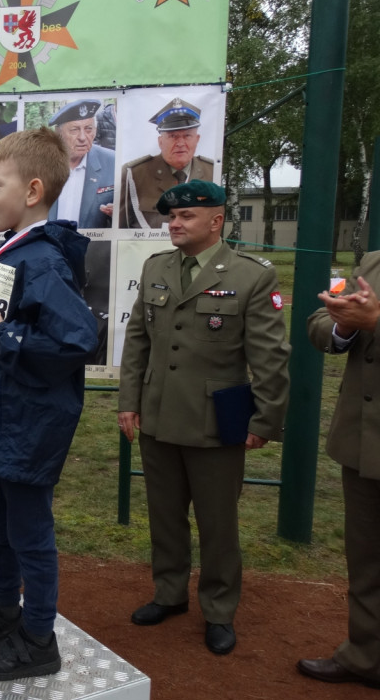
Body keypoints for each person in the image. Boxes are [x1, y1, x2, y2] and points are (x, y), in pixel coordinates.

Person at [0, 129, 97, 681]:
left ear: (32, 190)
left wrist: (4, 339)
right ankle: (6, 612)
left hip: (26, 426)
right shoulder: (12, 251)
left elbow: (77, 341)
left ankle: (37, 637)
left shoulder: (44, 260)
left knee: (29, 533)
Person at [118, 180, 290, 656]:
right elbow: (138, 343)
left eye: (185, 217)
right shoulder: (156, 267)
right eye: (171, 217)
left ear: (216, 221)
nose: (174, 223)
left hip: (218, 419)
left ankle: (218, 609)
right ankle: (169, 594)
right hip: (157, 414)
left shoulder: (251, 275)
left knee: (218, 524)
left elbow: (271, 357)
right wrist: (128, 401)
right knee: (165, 516)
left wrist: (263, 421)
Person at [299, 256, 380, 689]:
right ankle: (367, 656)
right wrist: (343, 324)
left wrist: (376, 320)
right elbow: (318, 322)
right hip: (363, 442)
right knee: (366, 560)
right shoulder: (374, 262)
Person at [118, 98, 214, 229]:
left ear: (197, 140)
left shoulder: (212, 171)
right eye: (173, 136)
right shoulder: (135, 174)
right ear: (160, 141)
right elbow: (122, 228)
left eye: (187, 136)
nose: (180, 143)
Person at [47, 99, 114, 229]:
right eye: (74, 130)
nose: (83, 137)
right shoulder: (38, 164)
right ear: (58, 133)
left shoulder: (112, 162)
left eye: (88, 129)